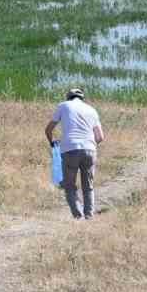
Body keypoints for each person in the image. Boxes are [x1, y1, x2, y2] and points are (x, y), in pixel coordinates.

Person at [45, 87, 104, 219]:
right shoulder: (92, 110)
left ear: (68, 97)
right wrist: (89, 145)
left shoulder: (63, 106)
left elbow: (48, 129)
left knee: (69, 185)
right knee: (88, 186)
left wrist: (52, 143)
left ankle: (78, 216)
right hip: (90, 150)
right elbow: (100, 137)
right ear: (83, 98)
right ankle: (89, 216)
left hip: (69, 149)